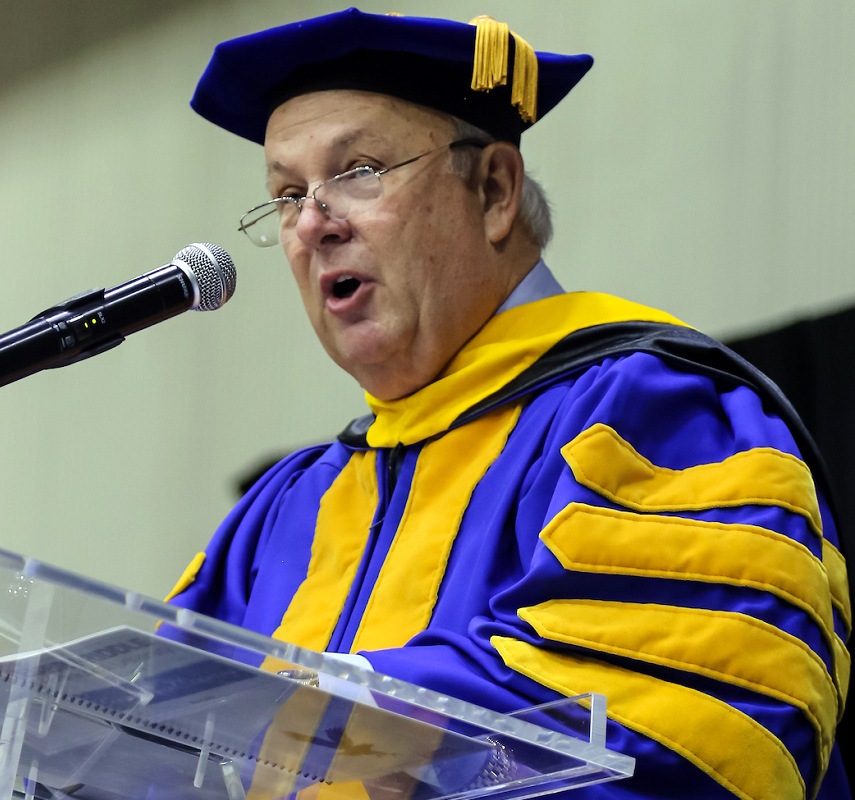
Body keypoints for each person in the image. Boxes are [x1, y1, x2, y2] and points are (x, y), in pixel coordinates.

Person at [167, 9, 851, 800]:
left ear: (494, 190)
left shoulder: (658, 415)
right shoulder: (279, 515)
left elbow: (699, 732)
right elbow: (143, 748)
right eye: (288, 195)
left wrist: (366, 715)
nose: (314, 224)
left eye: (358, 171)